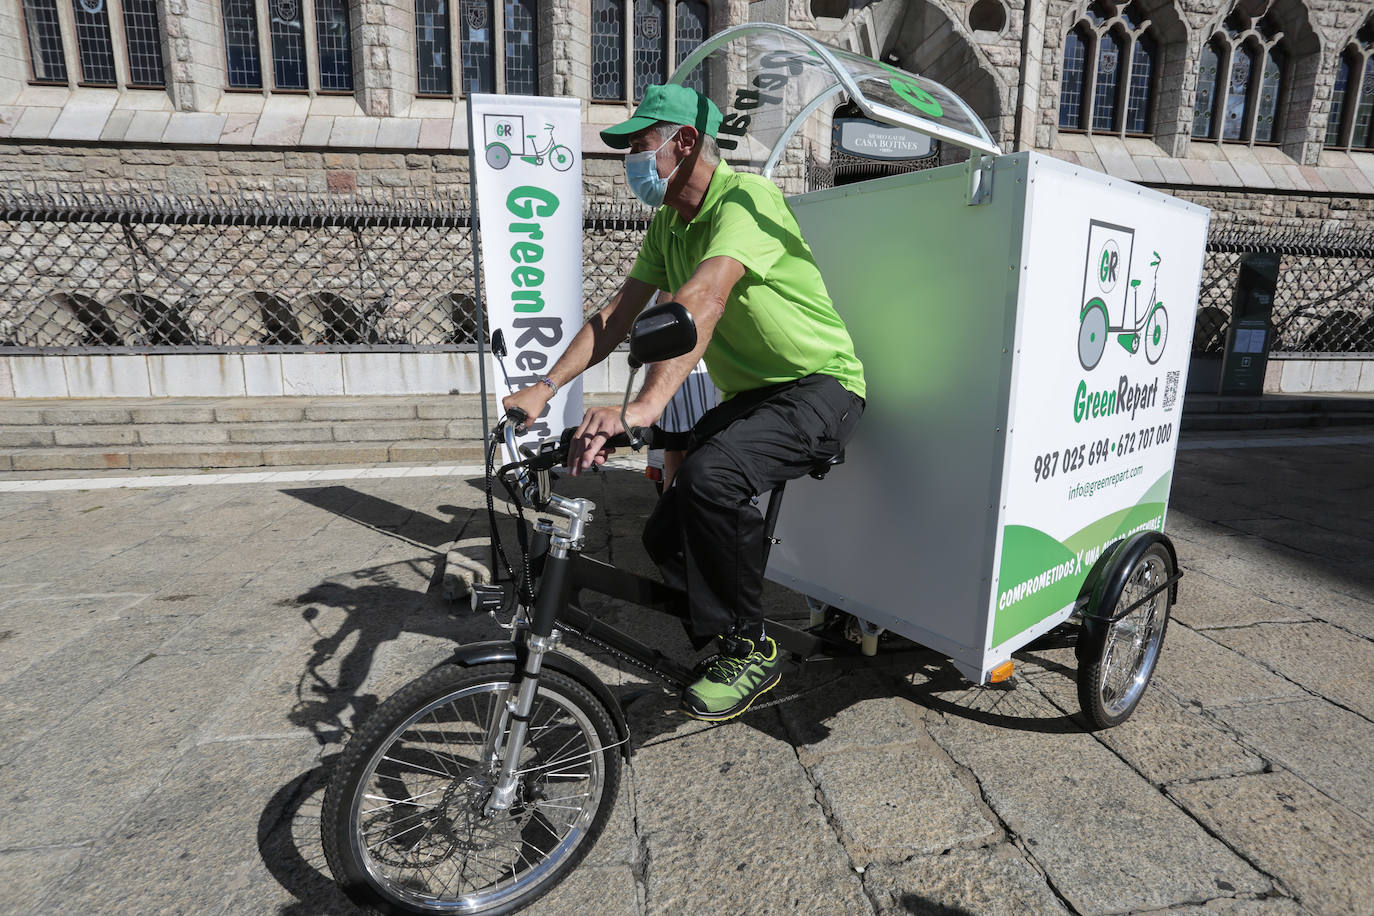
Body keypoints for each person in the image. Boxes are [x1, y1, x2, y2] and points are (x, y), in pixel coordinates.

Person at [502, 84, 865, 722]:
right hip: (756, 396)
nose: (631, 164)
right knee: (664, 532)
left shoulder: (746, 200)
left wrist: (639, 412)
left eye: (641, 147)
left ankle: (752, 647)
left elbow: (702, 300)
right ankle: (726, 641)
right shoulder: (669, 222)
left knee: (709, 479)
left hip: (822, 386)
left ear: (685, 142)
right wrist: (546, 386)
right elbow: (617, 315)